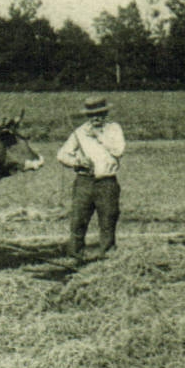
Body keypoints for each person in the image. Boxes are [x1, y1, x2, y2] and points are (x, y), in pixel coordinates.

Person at [56, 95, 126, 262]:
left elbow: (119, 150)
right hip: (84, 182)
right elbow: (61, 155)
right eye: (92, 114)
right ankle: (75, 257)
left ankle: (107, 257)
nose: (96, 118)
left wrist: (99, 136)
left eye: (100, 114)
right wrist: (77, 161)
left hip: (107, 182)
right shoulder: (79, 132)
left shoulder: (114, 129)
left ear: (105, 113)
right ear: (87, 115)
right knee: (78, 221)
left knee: (108, 221)